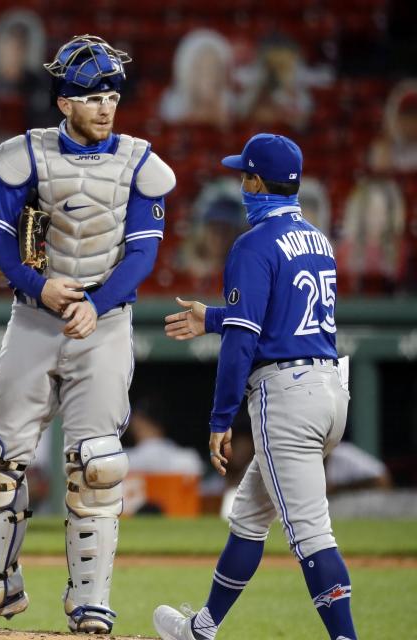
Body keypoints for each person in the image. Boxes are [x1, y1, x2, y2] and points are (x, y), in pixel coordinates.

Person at [0, 35, 176, 634]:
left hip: (105, 322)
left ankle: (89, 600)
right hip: (36, 316)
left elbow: (143, 254)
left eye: (112, 96)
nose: (105, 108)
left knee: (97, 463)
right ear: (65, 102)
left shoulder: (141, 162)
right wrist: (36, 285)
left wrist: (98, 303)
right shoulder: (27, 156)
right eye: (93, 97)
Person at [156, 133, 357, 640]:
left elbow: (243, 346)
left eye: (243, 175)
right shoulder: (318, 238)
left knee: (312, 535)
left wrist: (221, 419)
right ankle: (202, 628)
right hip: (331, 388)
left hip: (286, 397)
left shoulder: (251, 244)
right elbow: (279, 318)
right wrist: (214, 318)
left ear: (255, 181)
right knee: (248, 516)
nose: (240, 184)